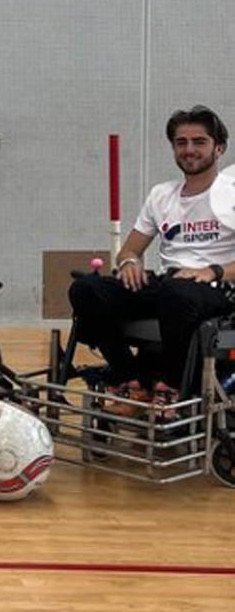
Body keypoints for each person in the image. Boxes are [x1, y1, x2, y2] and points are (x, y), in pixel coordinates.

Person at [68, 105, 235, 411]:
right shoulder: (162, 194)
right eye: (181, 142)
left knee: (177, 293)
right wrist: (130, 263)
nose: (189, 149)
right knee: (86, 289)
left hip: (217, 290)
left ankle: (171, 388)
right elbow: (130, 249)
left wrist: (212, 271)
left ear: (219, 148)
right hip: (170, 286)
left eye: (199, 142)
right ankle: (131, 383)